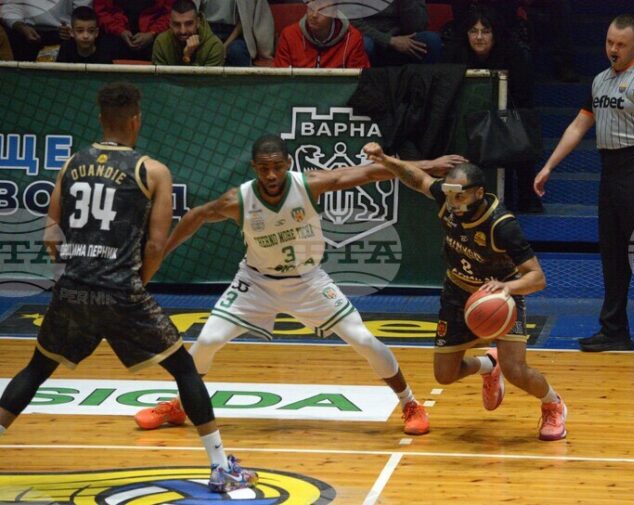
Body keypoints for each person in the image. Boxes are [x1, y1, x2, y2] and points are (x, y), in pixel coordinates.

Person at [0, 82, 257, 493]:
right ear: (136, 120)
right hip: (121, 290)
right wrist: (138, 283)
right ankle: (219, 467)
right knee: (184, 369)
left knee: (37, 368)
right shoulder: (153, 171)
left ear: (101, 118)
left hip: (72, 289)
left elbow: (51, 235)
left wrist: (73, 273)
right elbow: (155, 245)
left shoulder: (71, 165)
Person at [134, 135, 465, 435]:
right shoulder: (239, 199)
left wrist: (428, 165)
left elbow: (369, 172)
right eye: (264, 168)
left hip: (308, 282)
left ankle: (409, 403)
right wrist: (162, 251)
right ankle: (181, 405)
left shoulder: (308, 185)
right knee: (207, 340)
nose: (271, 175)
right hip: (255, 282)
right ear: (254, 168)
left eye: (278, 167)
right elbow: (196, 215)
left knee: (363, 339)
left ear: (289, 164)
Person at [363, 142, 567, 441]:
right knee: (444, 375)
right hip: (457, 292)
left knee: (516, 371)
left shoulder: (502, 225)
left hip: (501, 297)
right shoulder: (447, 199)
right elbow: (416, 178)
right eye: (449, 194)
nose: (453, 202)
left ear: (479, 193)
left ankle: (553, 404)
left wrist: (507, 287)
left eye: (460, 196)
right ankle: (488, 365)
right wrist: (385, 159)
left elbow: (537, 278)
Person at [534, 14, 634, 363]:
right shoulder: (600, 80)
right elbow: (578, 125)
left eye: (621, 44)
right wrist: (549, 166)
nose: (613, 49)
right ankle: (614, 330)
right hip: (609, 170)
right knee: (612, 254)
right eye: (610, 42)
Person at [442, 5, 543, 213]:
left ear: (495, 33)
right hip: (467, 120)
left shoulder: (514, 54)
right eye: (473, 31)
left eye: (485, 31)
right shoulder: (454, 54)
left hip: (507, 117)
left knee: (521, 128)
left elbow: (523, 97)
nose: (479, 37)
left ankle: (526, 197)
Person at [273, 0, 370, 69]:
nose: (314, 15)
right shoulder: (289, 35)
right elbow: (280, 81)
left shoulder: (352, 38)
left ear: (334, 13)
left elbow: (360, 83)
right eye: (311, 8)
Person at [351, 0, 442, 66]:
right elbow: (353, 23)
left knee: (431, 40)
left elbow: (418, 27)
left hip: (402, 38)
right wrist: (389, 40)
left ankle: (421, 85)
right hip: (371, 38)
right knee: (364, 44)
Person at [1, 0, 84, 61]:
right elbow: (10, 8)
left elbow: (83, 11)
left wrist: (71, 28)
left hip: (64, 34)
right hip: (25, 32)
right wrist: (20, 26)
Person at [197, 0, 273, 66]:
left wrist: (224, 47)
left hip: (234, 34)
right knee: (203, 51)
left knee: (237, 51)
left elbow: (244, 20)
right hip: (207, 31)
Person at [94, 0, 172, 61]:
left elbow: (170, 13)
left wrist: (152, 33)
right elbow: (101, 12)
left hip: (155, 36)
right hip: (114, 35)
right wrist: (119, 31)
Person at [152, 0, 223, 66]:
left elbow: (208, 76)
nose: (183, 31)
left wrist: (187, 57)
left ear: (198, 22)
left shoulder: (214, 46)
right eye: (177, 24)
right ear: (170, 24)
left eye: (189, 24)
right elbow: (160, 76)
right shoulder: (161, 42)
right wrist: (186, 57)